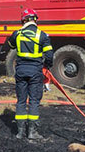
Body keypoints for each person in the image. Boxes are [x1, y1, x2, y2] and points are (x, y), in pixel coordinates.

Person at [6, 8, 53, 139]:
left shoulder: (17, 34)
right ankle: (32, 132)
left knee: (21, 100)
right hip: (35, 72)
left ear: (23, 20)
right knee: (34, 101)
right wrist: (47, 66)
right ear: (35, 20)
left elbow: (10, 45)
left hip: (21, 71)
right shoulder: (42, 35)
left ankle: (20, 132)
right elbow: (49, 55)